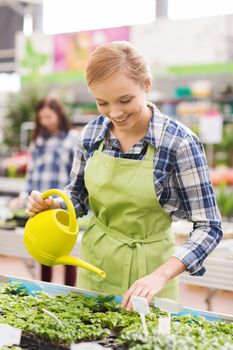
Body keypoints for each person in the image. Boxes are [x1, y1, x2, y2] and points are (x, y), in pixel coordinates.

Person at [26, 41, 222, 310]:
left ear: (147, 85)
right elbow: (78, 196)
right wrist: (55, 206)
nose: (115, 113)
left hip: (152, 276)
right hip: (95, 266)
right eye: (102, 103)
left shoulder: (179, 143)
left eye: (125, 100)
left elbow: (209, 225)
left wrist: (160, 275)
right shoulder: (91, 135)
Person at [15, 97, 79, 286]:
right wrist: (23, 196)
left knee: (67, 253)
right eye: (42, 117)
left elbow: (77, 177)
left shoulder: (72, 139)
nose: (45, 121)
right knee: (45, 252)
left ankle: (68, 293)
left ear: (59, 114)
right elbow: (31, 173)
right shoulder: (38, 141)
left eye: (49, 116)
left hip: (62, 205)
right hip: (41, 204)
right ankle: (45, 292)